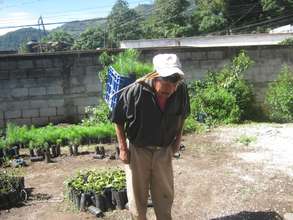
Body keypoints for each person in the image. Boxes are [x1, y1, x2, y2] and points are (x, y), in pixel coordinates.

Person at [111, 53, 190, 220]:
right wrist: (123, 149)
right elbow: (117, 120)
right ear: (155, 76)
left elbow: (183, 114)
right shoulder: (135, 91)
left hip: (163, 150)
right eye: (166, 84)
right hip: (138, 150)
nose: (171, 89)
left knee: (164, 195)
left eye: (175, 83)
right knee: (137, 197)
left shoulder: (180, 89)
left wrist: (178, 140)